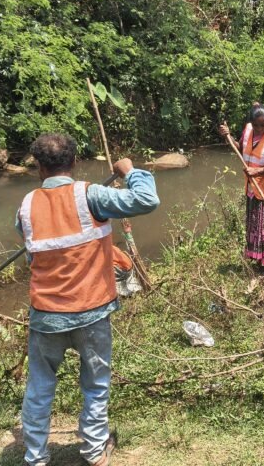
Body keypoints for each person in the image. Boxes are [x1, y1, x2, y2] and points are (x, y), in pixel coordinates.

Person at [17, 133, 159, 466]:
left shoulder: (25, 206)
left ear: (38, 168)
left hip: (46, 317)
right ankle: (95, 451)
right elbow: (147, 200)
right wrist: (130, 171)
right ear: (75, 161)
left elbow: (32, 257)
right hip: (91, 313)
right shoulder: (90, 195)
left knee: (39, 387)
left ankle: (35, 457)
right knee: (95, 384)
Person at [218, 103, 264, 293]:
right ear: (251, 123)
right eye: (257, 125)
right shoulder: (249, 131)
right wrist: (228, 137)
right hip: (253, 189)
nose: (260, 128)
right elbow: (240, 148)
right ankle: (259, 259)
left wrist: (259, 170)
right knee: (255, 226)